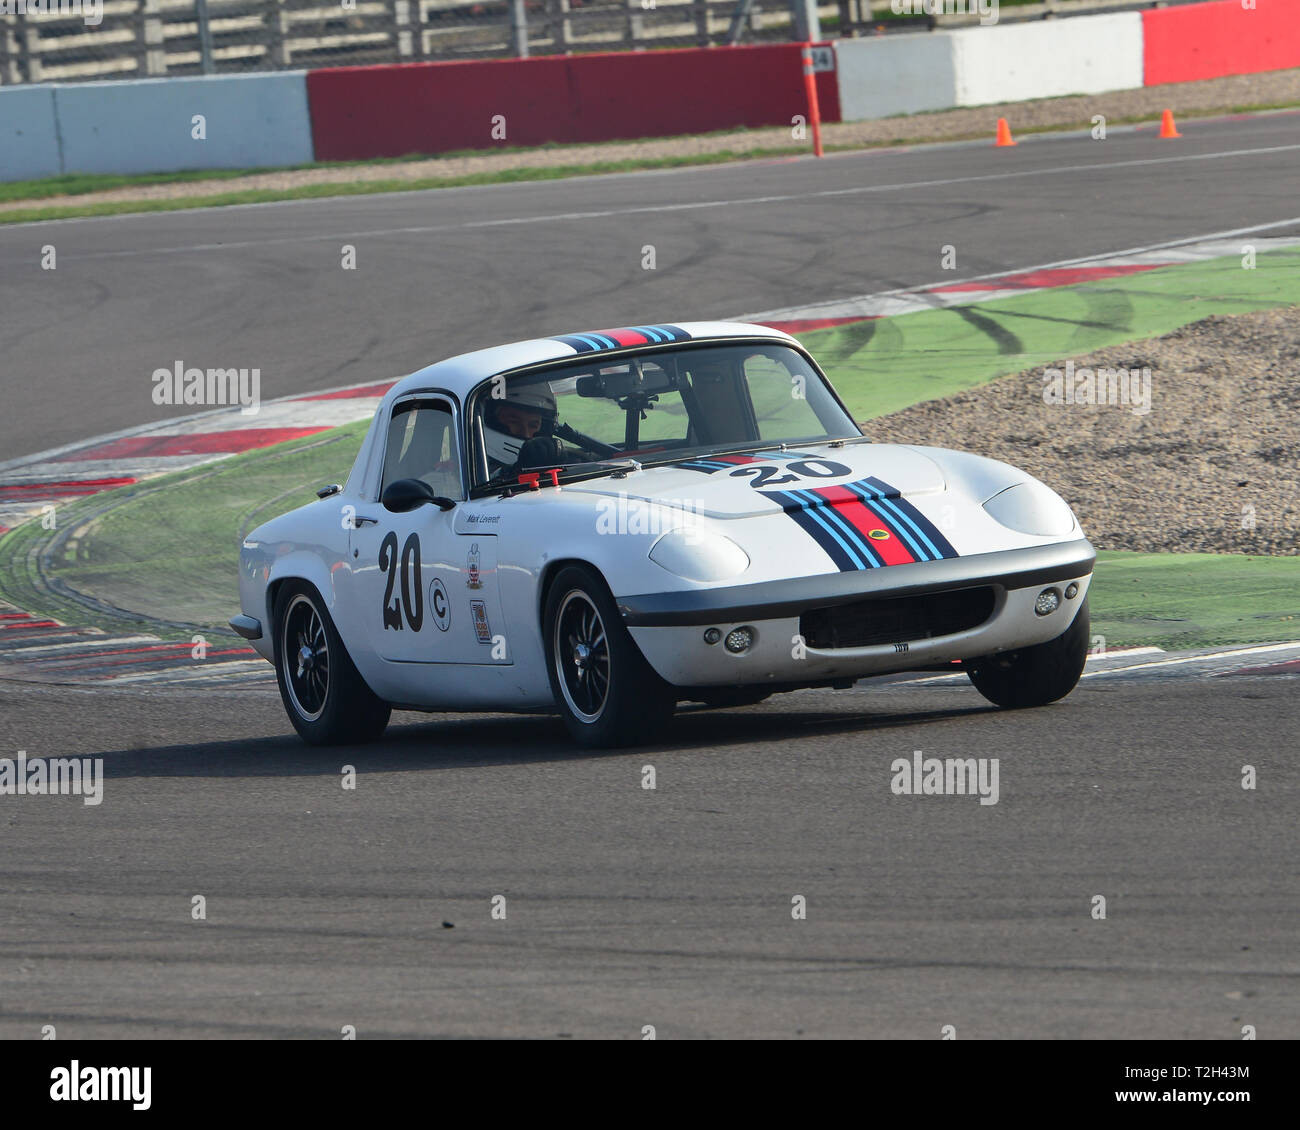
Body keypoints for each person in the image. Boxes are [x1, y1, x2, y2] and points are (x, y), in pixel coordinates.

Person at [483, 384, 561, 477]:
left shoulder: (548, 459)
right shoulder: (471, 462)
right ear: (493, 420)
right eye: (514, 422)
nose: (526, 434)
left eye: (533, 425)